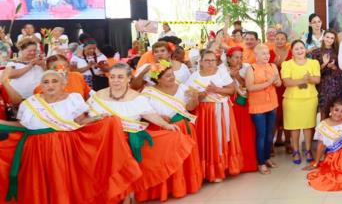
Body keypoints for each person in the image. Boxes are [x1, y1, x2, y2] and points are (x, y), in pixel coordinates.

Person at [0, 70, 141, 204]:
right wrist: (3, 123)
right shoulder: (29, 103)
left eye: (54, 81)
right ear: (40, 85)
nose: (50, 85)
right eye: (46, 82)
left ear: (63, 84)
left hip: (64, 149)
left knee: (62, 183)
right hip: (36, 150)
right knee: (40, 184)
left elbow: (79, 122)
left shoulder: (73, 99)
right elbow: (23, 126)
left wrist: (98, 119)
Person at [87, 63, 195, 202]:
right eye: (112, 77)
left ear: (128, 79)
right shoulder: (98, 96)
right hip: (106, 141)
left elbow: (148, 114)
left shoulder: (137, 97)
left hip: (128, 139)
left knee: (127, 169)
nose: (115, 80)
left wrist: (166, 125)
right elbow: (89, 117)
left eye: (120, 77)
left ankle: (127, 196)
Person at [140, 61, 203, 201]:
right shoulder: (148, 93)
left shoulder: (182, 87)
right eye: (167, 76)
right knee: (167, 161)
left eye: (172, 74)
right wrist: (158, 117)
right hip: (163, 131)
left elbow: (191, 108)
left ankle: (184, 185)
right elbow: (143, 113)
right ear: (158, 79)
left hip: (183, 127)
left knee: (183, 160)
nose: (172, 77)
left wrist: (194, 97)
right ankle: (167, 188)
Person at [186, 50, 242, 182]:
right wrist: (201, 95)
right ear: (201, 62)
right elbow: (189, 95)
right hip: (203, 112)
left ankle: (221, 169)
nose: (210, 63)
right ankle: (207, 171)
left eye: (213, 60)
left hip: (220, 110)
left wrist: (216, 89)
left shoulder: (221, 72)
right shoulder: (194, 76)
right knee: (207, 140)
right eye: (207, 60)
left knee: (219, 139)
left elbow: (232, 90)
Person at [281, 40, 321, 164]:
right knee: (294, 127)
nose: (299, 51)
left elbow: (317, 80)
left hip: (310, 99)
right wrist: (303, 80)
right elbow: (286, 82)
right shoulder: (286, 64)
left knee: (308, 126)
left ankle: (308, 150)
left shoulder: (314, 63)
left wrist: (309, 78)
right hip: (292, 100)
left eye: (301, 48)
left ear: (305, 49)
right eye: (296, 49)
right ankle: (296, 151)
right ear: (292, 52)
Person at [244, 44, 281, 174]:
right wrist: (269, 82)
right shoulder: (251, 68)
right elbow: (250, 87)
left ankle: (267, 158)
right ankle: (260, 163)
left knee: (270, 135)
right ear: (256, 55)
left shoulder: (273, 66)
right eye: (263, 54)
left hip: (272, 103)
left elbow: (279, 83)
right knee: (261, 134)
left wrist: (276, 82)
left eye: (268, 53)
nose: (267, 56)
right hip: (257, 105)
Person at [226, 46, 258, 173]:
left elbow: (249, 86)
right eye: (235, 57)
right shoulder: (222, 70)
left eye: (240, 57)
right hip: (229, 104)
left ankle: (248, 163)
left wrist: (237, 76)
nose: (238, 60)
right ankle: (232, 164)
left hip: (244, 104)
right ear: (229, 58)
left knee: (245, 132)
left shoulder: (247, 68)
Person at [311, 30, 342, 121]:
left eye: (332, 38)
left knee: (337, 111)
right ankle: (323, 134)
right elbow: (315, 72)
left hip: (337, 85)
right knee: (324, 111)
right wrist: (324, 64)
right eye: (327, 37)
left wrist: (333, 67)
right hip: (323, 86)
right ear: (323, 37)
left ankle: (335, 134)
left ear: (334, 40)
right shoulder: (316, 52)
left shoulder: (338, 52)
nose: (329, 40)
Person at [2, 38, 45, 104]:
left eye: (34, 50)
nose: (33, 53)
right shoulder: (13, 63)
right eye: (30, 51)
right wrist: (30, 66)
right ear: (21, 50)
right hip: (20, 100)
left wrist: (43, 65)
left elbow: (49, 75)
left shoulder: (39, 62)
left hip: (40, 99)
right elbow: (12, 75)